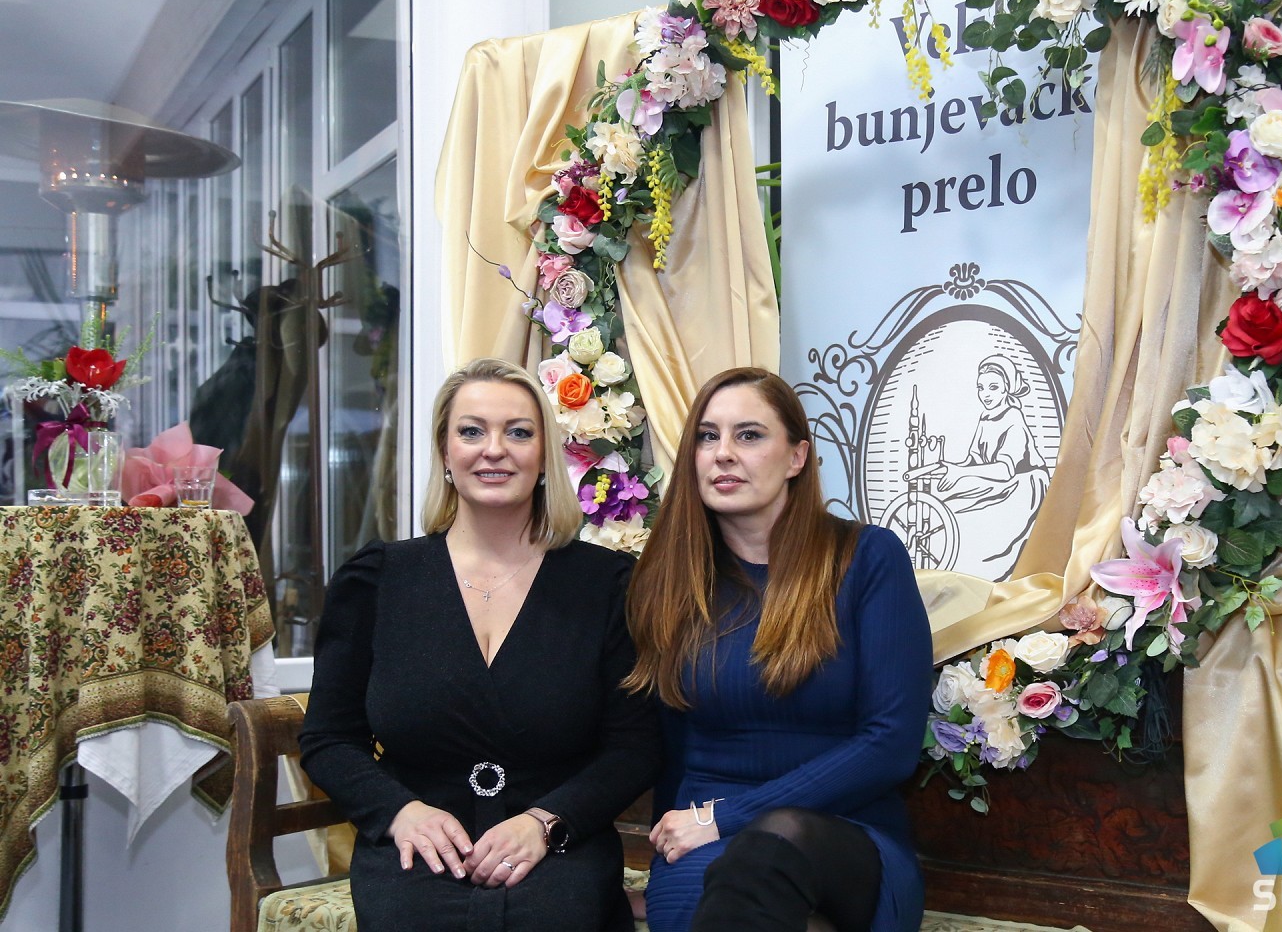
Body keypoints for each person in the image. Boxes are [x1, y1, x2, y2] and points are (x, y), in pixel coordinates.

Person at [299, 357, 659, 931]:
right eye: (471, 431)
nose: (494, 450)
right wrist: (400, 813)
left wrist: (546, 821)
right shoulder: (377, 580)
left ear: (544, 457)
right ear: (445, 453)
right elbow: (329, 738)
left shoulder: (608, 586)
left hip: (556, 847)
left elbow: (635, 746)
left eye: (518, 432)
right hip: (417, 850)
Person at [626, 367, 933, 932]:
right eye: (707, 436)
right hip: (703, 835)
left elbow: (890, 745)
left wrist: (728, 817)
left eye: (748, 435)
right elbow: (671, 744)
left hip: (841, 835)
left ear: (796, 457)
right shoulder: (670, 580)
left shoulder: (867, 558)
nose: (723, 453)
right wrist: (668, 852)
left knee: (768, 851)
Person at [928, 353, 1050, 566]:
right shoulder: (985, 417)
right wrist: (951, 468)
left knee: (967, 518)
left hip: (1025, 486)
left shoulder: (1013, 418)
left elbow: (1005, 470)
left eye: (993, 387)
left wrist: (961, 473)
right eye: (981, 387)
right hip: (999, 482)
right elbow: (974, 460)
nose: (985, 394)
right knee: (948, 505)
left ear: (1006, 388)